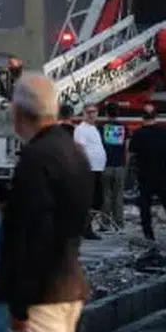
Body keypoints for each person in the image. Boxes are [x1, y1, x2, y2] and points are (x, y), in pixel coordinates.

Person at [0, 73, 90, 332]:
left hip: (42, 295)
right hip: (68, 284)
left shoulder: (36, 158)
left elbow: (32, 236)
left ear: (19, 112)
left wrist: (19, 304)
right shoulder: (73, 151)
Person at [127, 104, 166, 242]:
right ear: (156, 116)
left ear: (142, 117)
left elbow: (132, 151)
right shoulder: (164, 130)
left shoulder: (138, 133)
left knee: (145, 206)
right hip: (161, 174)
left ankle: (149, 235)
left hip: (144, 175)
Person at [73, 103, 106, 240]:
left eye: (94, 112)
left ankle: (85, 226)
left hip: (97, 168)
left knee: (97, 200)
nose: (92, 115)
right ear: (84, 114)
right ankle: (85, 228)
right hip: (89, 169)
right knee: (92, 199)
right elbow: (79, 147)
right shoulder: (81, 129)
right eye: (89, 112)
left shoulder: (94, 128)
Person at [98, 103, 128, 229]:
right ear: (118, 113)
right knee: (118, 196)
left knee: (106, 196)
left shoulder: (101, 128)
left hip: (105, 166)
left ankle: (105, 224)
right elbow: (126, 148)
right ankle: (119, 224)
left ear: (106, 113)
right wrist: (125, 163)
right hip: (119, 165)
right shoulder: (124, 127)